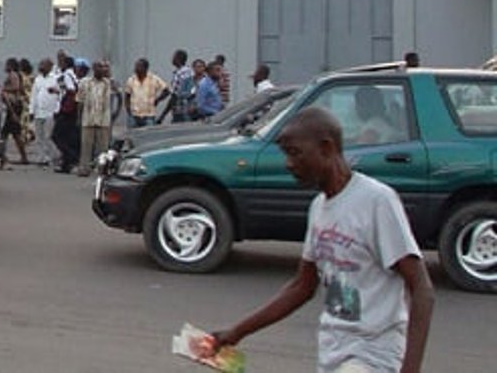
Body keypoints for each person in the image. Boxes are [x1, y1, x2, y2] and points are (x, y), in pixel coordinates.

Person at [208, 107, 433, 373]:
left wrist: (411, 369)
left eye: (295, 153)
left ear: (326, 148)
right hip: (333, 352)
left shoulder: (376, 201)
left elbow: (421, 288)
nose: (288, 164)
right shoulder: (319, 208)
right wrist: (236, 332)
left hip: (372, 355)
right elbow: (301, 287)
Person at [75, 60, 116, 176]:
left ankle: (101, 170)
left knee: (102, 148)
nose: (101, 69)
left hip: (104, 120)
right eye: (99, 67)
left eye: (103, 67)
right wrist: (79, 118)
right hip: (88, 119)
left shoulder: (108, 83)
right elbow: (80, 101)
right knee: (86, 146)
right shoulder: (85, 82)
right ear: (93, 69)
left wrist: (115, 114)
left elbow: (118, 95)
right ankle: (84, 169)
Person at [51, 55, 81, 173]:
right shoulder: (72, 74)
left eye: (62, 63)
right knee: (67, 137)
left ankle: (71, 156)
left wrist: (58, 91)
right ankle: (66, 163)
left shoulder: (67, 75)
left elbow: (71, 90)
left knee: (57, 136)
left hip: (66, 110)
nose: (60, 64)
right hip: (70, 110)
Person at [29, 57, 61, 166]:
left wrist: (57, 109)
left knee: (48, 136)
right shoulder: (37, 79)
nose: (40, 67)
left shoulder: (55, 79)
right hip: (38, 112)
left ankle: (55, 156)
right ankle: (43, 158)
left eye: (43, 65)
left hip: (50, 112)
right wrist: (31, 110)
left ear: (50, 67)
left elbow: (59, 95)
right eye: (40, 64)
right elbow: (33, 95)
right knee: (39, 137)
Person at [0, 58, 29, 168]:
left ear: (10, 66)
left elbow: (16, 87)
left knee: (10, 133)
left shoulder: (13, 75)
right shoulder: (15, 75)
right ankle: (4, 157)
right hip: (13, 106)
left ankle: (5, 158)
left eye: (7, 64)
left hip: (12, 106)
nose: (5, 67)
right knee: (12, 134)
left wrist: (4, 88)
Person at [123, 58, 169, 130]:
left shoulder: (154, 79)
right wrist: (128, 110)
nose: (136, 68)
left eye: (138, 66)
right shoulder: (131, 80)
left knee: (148, 137)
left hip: (148, 116)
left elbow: (166, 90)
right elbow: (127, 96)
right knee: (132, 137)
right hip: (134, 116)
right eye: (135, 66)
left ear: (145, 68)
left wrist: (157, 100)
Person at [160, 49, 196, 123]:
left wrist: (162, 116)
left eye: (174, 57)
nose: (172, 59)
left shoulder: (180, 74)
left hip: (181, 110)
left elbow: (174, 96)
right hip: (189, 108)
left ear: (178, 59)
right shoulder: (190, 72)